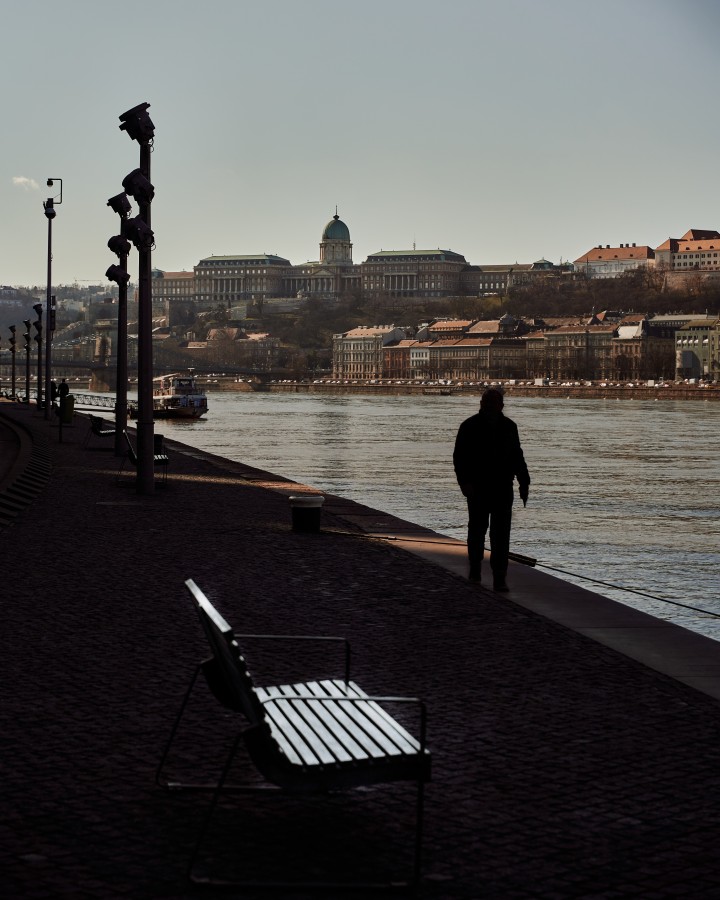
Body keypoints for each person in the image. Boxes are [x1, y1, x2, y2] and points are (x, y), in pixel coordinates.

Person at [453, 388, 530, 591]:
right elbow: (459, 458)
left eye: (493, 403)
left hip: (502, 487)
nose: (490, 406)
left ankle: (499, 575)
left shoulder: (508, 427)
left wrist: (524, 482)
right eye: (488, 403)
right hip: (479, 487)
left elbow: (517, 456)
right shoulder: (469, 426)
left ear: (500, 406)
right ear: (482, 404)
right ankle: (476, 568)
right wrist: (464, 483)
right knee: (479, 530)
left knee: (500, 533)